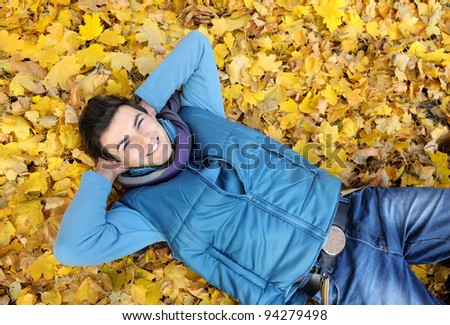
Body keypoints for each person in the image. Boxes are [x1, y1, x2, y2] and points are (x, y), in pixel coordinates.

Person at [53, 30, 449, 305]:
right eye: (126, 146)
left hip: (365, 210)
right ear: (117, 159)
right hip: (334, 280)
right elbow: (72, 248)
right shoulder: (144, 212)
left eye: (140, 124)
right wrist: (101, 176)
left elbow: (196, 47)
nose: (146, 140)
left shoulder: (197, 114)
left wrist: (148, 101)